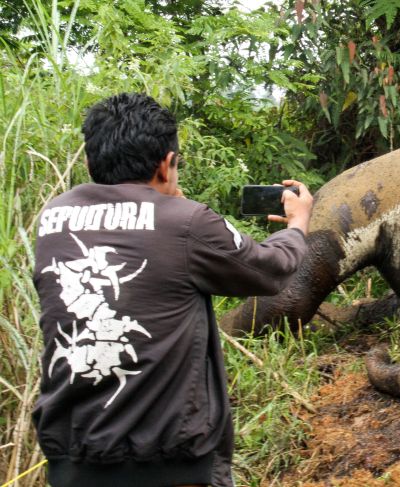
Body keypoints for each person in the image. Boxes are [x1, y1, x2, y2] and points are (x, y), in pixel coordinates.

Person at [32, 92, 313, 487]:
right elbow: (272, 270)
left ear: (90, 161)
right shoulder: (187, 222)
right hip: (167, 463)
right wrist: (297, 224)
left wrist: (173, 208)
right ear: (166, 165)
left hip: (72, 461)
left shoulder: (54, 215)